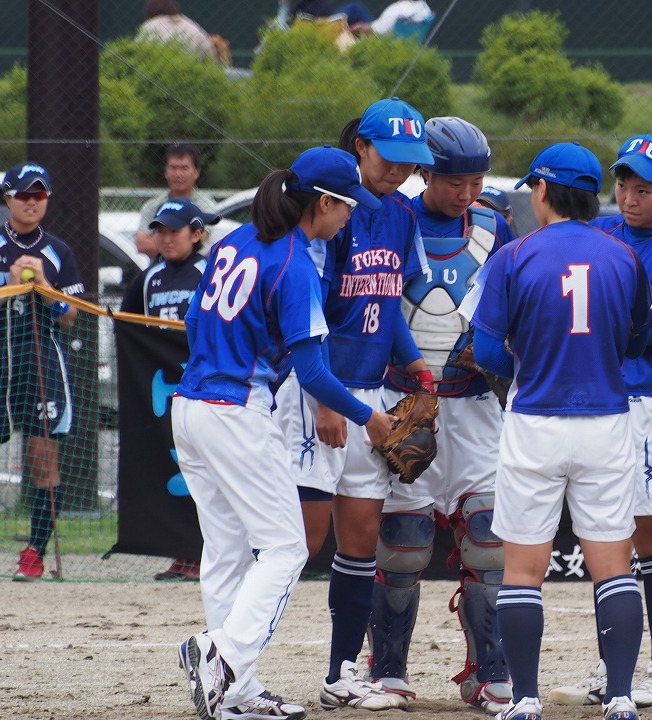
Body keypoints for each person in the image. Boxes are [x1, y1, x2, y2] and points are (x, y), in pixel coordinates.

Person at [175, 145, 385, 720]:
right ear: (323, 202)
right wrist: (374, 418)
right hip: (236, 410)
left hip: (191, 405)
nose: (349, 217)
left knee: (226, 551)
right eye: (346, 207)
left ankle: (233, 693)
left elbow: (195, 319)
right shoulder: (296, 262)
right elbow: (313, 370)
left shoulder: (236, 239)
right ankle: (223, 657)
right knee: (287, 546)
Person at [470, 141, 652, 720]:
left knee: (524, 572)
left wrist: (526, 365)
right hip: (606, 419)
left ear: (544, 190)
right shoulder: (623, 255)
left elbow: (484, 352)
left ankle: (524, 700)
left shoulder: (513, 255)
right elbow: (635, 338)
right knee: (613, 566)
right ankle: (622, 696)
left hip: (535, 423)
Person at [287, 96, 433, 713]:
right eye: (389, 157)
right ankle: (234, 652)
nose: (399, 170)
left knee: (361, 539)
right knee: (303, 537)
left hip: (373, 390)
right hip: (322, 388)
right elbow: (313, 310)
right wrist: (325, 401)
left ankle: (342, 671)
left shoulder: (400, 214)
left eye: (410, 161)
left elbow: (391, 299)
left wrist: (418, 364)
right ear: (361, 149)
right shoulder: (334, 213)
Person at [379, 116, 516, 713]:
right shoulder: (394, 220)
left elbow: (512, 309)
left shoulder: (496, 225)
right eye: (455, 181)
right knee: (402, 548)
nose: (468, 192)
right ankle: (386, 671)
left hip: (476, 406)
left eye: (477, 180)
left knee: (490, 547)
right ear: (425, 172)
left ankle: (488, 672)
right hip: (409, 404)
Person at [550, 133, 652, 710]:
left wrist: (621, 328)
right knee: (611, 540)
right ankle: (620, 667)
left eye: (645, 187)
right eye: (624, 184)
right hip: (603, 403)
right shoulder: (603, 231)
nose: (630, 197)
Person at [0, 163, 85, 583]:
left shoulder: (59, 251)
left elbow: (71, 317)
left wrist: (44, 287)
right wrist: (7, 285)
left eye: (39, 195)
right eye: (24, 195)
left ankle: (34, 553)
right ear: (8, 198)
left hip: (40, 357)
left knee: (45, 461)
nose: (31, 202)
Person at [120, 199, 220, 582]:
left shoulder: (208, 270)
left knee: (206, 471)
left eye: (174, 230)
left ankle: (204, 551)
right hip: (162, 391)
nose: (165, 238)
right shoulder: (149, 277)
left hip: (202, 389)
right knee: (171, 467)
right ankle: (180, 550)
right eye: (159, 230)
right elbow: (128, 324)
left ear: (197, 234)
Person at [136, 143, 216, 262]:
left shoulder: (206, 205)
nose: (178, 174)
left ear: (196, 172)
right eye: (173, 168)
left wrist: (158, 241)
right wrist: (180, 242)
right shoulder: (152, 206)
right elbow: (142, 244)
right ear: (166, 172)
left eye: (184, 168)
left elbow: (200, 238)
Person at [137, 0, 218, 62]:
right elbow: (210, 53)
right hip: (194, 74)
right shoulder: (191, 25)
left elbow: (137, 53)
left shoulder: (148, 27)